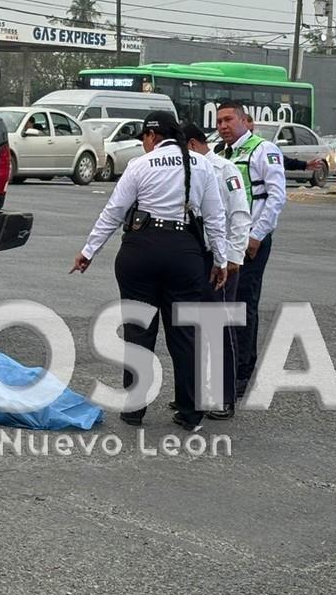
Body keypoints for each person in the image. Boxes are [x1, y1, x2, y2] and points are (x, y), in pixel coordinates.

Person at [71, 110, 227, 431]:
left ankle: (134, 409)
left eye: (143, 137)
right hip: (184, 254)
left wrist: (88, 252)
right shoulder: (202, 165)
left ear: (152, 136)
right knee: (185, 334)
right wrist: (222, 260)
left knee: (138, 331)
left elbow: (114, 212)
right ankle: (190, 411)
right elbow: (215, 218)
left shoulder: (140, 165)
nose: (143, 143)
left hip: (140, 252)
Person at [213, 99, 286, 402]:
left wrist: (256, 235)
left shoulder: (262, 149)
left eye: (229, 119)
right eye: (219, 121)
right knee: (221, 305)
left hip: (250, 242)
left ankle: (242, 371)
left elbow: (277, 196)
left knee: (243, 305)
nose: (223, 126)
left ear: (245, 120)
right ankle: (223, 368)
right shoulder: (219, 153)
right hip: (226, 242)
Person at [182, 120, 250, 419]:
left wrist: (233, 258)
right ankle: (196, 394)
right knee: (192, 328)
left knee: (218, 327)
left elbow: (239, 215)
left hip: (219, 259)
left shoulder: (225, 170)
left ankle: (224, 397)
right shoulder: (187, 170)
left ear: (193, 145)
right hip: (193, 258)